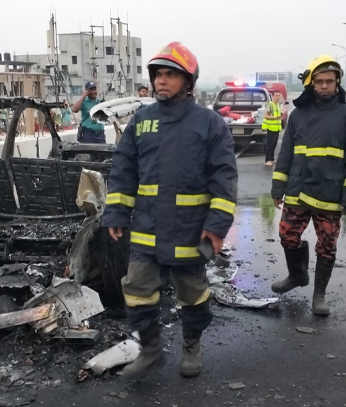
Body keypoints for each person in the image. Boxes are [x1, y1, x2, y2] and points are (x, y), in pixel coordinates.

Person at [102, 41, 238, 379]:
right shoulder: (142, 121)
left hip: (190, 231)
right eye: (158, 75)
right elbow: (124, 169)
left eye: (171, 75)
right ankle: (150, 351)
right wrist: (117, 212)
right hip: (147, 229)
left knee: (193, 295)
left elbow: (224, 178)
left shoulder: (209, 124)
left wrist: (216, 227)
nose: (161, 81)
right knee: (136, 290)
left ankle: (191, 344)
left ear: (189, 82)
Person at [270, 55, 346, 316]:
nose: (324, 86)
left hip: (330, 194)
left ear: (337, 84)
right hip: (298, 189)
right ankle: (297, 275)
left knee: (327, 245)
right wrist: (278, 187)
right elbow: (286, 153)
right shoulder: (299, 115)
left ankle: (319, 294)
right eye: (319, 82)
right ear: (312, 84)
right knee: (287, 236)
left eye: (329, 82)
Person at [262, 91, 283, 166]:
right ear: (273, 96)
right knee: (270, 144)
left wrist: (280, 117)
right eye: (276, 95)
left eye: (279, 95)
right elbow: (266, 116)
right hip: (271, 127)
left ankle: (272, 158)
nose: (278, 97)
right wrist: (275, 117)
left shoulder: (277, 105)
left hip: (276, 128)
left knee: (274, 144)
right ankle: (267, 159)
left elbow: (279, 115)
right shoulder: (270, 104)